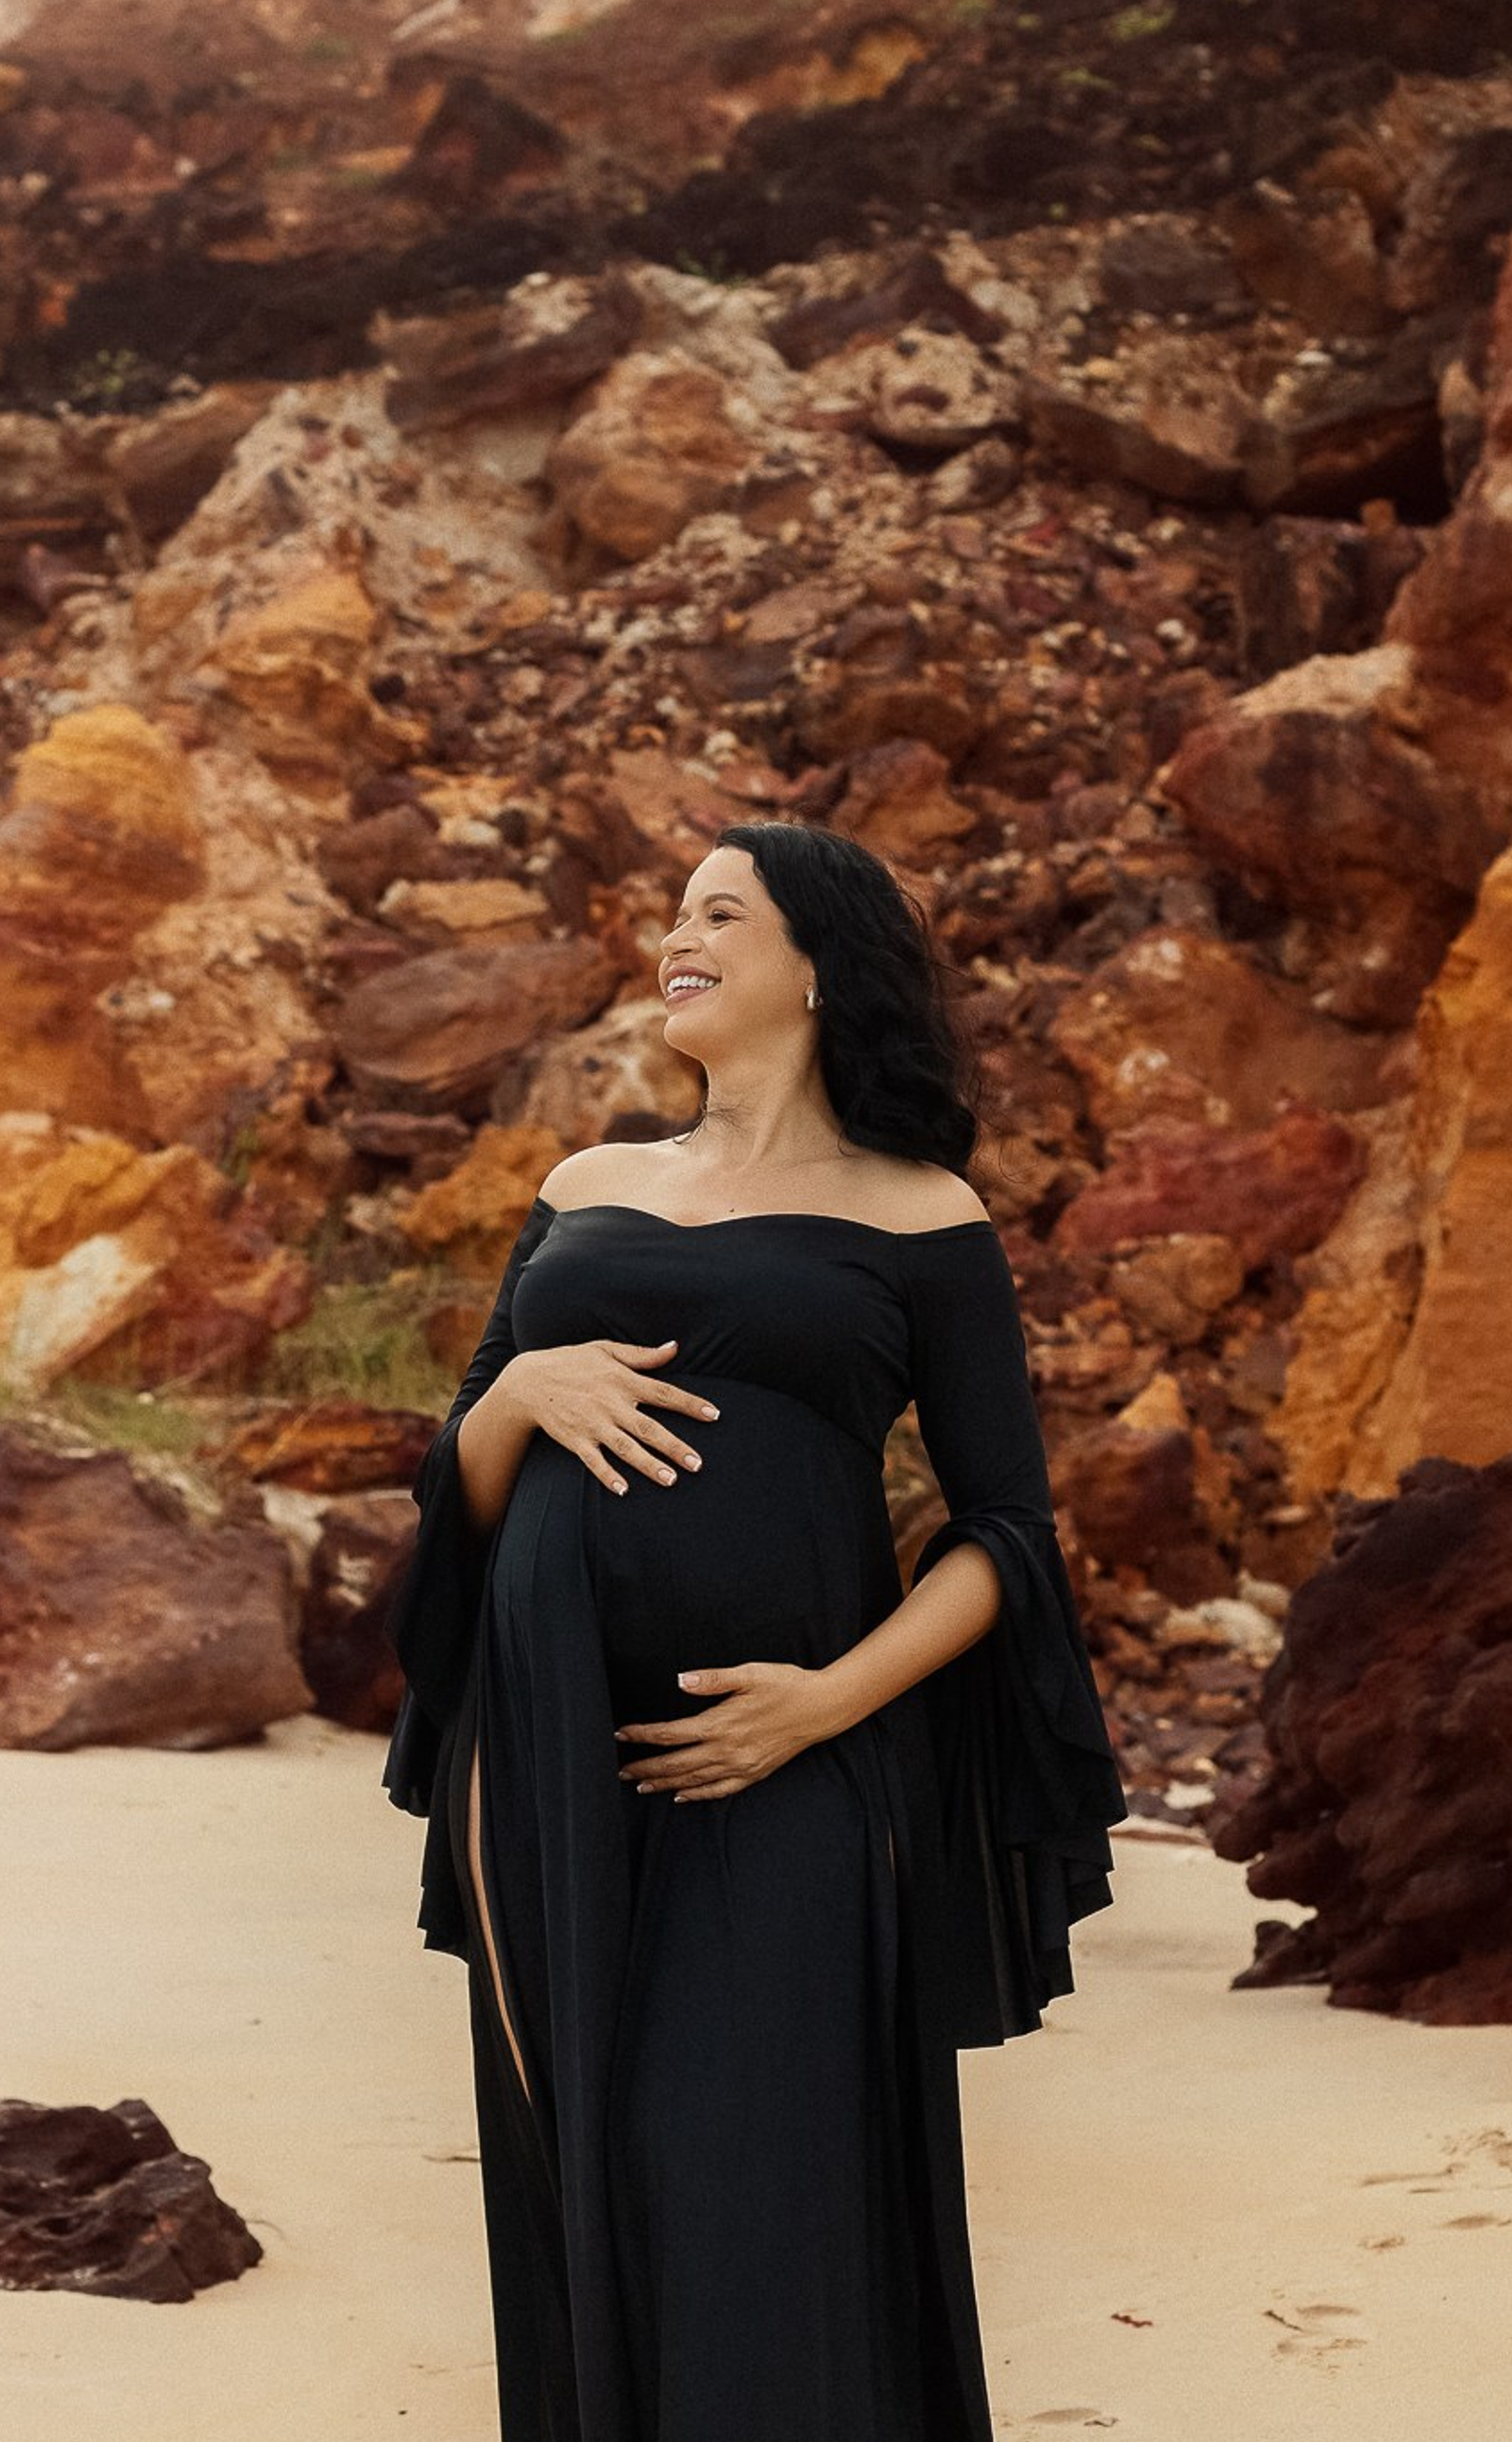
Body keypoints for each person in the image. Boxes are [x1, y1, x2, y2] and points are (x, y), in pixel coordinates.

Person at [379, 818, 1130, 2442]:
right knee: (585, 2164)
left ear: (814, 963)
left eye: (723, 910)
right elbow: (460, 1479)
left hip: (786, 1756)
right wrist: (522, 1387)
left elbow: (1005, 1534)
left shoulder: (921, 1214)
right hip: (548, 1742)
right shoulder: (588, 1186)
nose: (679, 934)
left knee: (738, 2172)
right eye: (675, 911)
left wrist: (826, 1705)